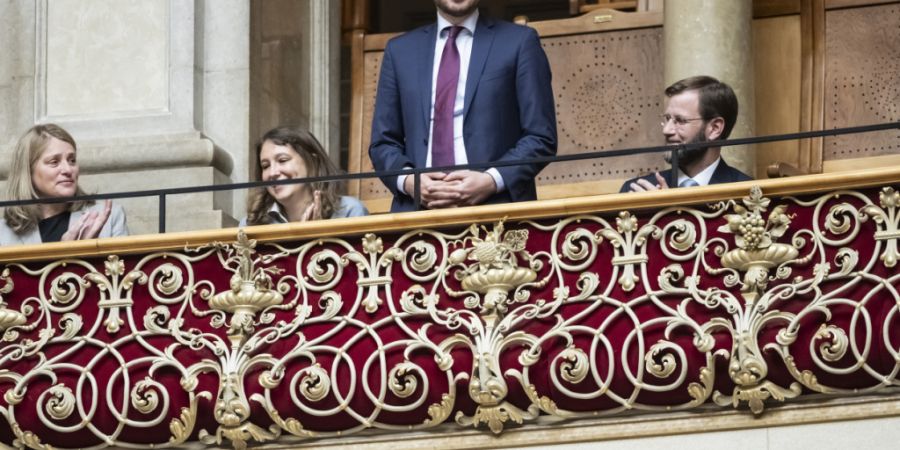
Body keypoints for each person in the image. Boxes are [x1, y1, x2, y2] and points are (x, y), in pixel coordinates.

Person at [369, 0, 557, 212]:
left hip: (497, 209)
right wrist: (411, 182)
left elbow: (541, 136)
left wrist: (491, 180)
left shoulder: (520, 41)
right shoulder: (399, 51)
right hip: (417, 213)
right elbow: (383, 143)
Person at [620, 75, 752, 193]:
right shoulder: (636, 191)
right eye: (667, 119)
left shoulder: (747, 193)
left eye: (680, 121)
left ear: (714, 128)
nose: (666, 130)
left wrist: (668, 210)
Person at [1, 124, 128, 245]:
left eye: (72, 160)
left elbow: (124, 267)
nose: (68, 170)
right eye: (54, 162)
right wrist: (64, 254)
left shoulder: (110, 216)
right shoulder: (3, 234)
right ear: (28, 171)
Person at [241, 126, 368, 226]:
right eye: (265, 166)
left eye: (283, 160)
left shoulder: (349, 212)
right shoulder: (249, 224)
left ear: (312, 162)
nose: (273, 173)